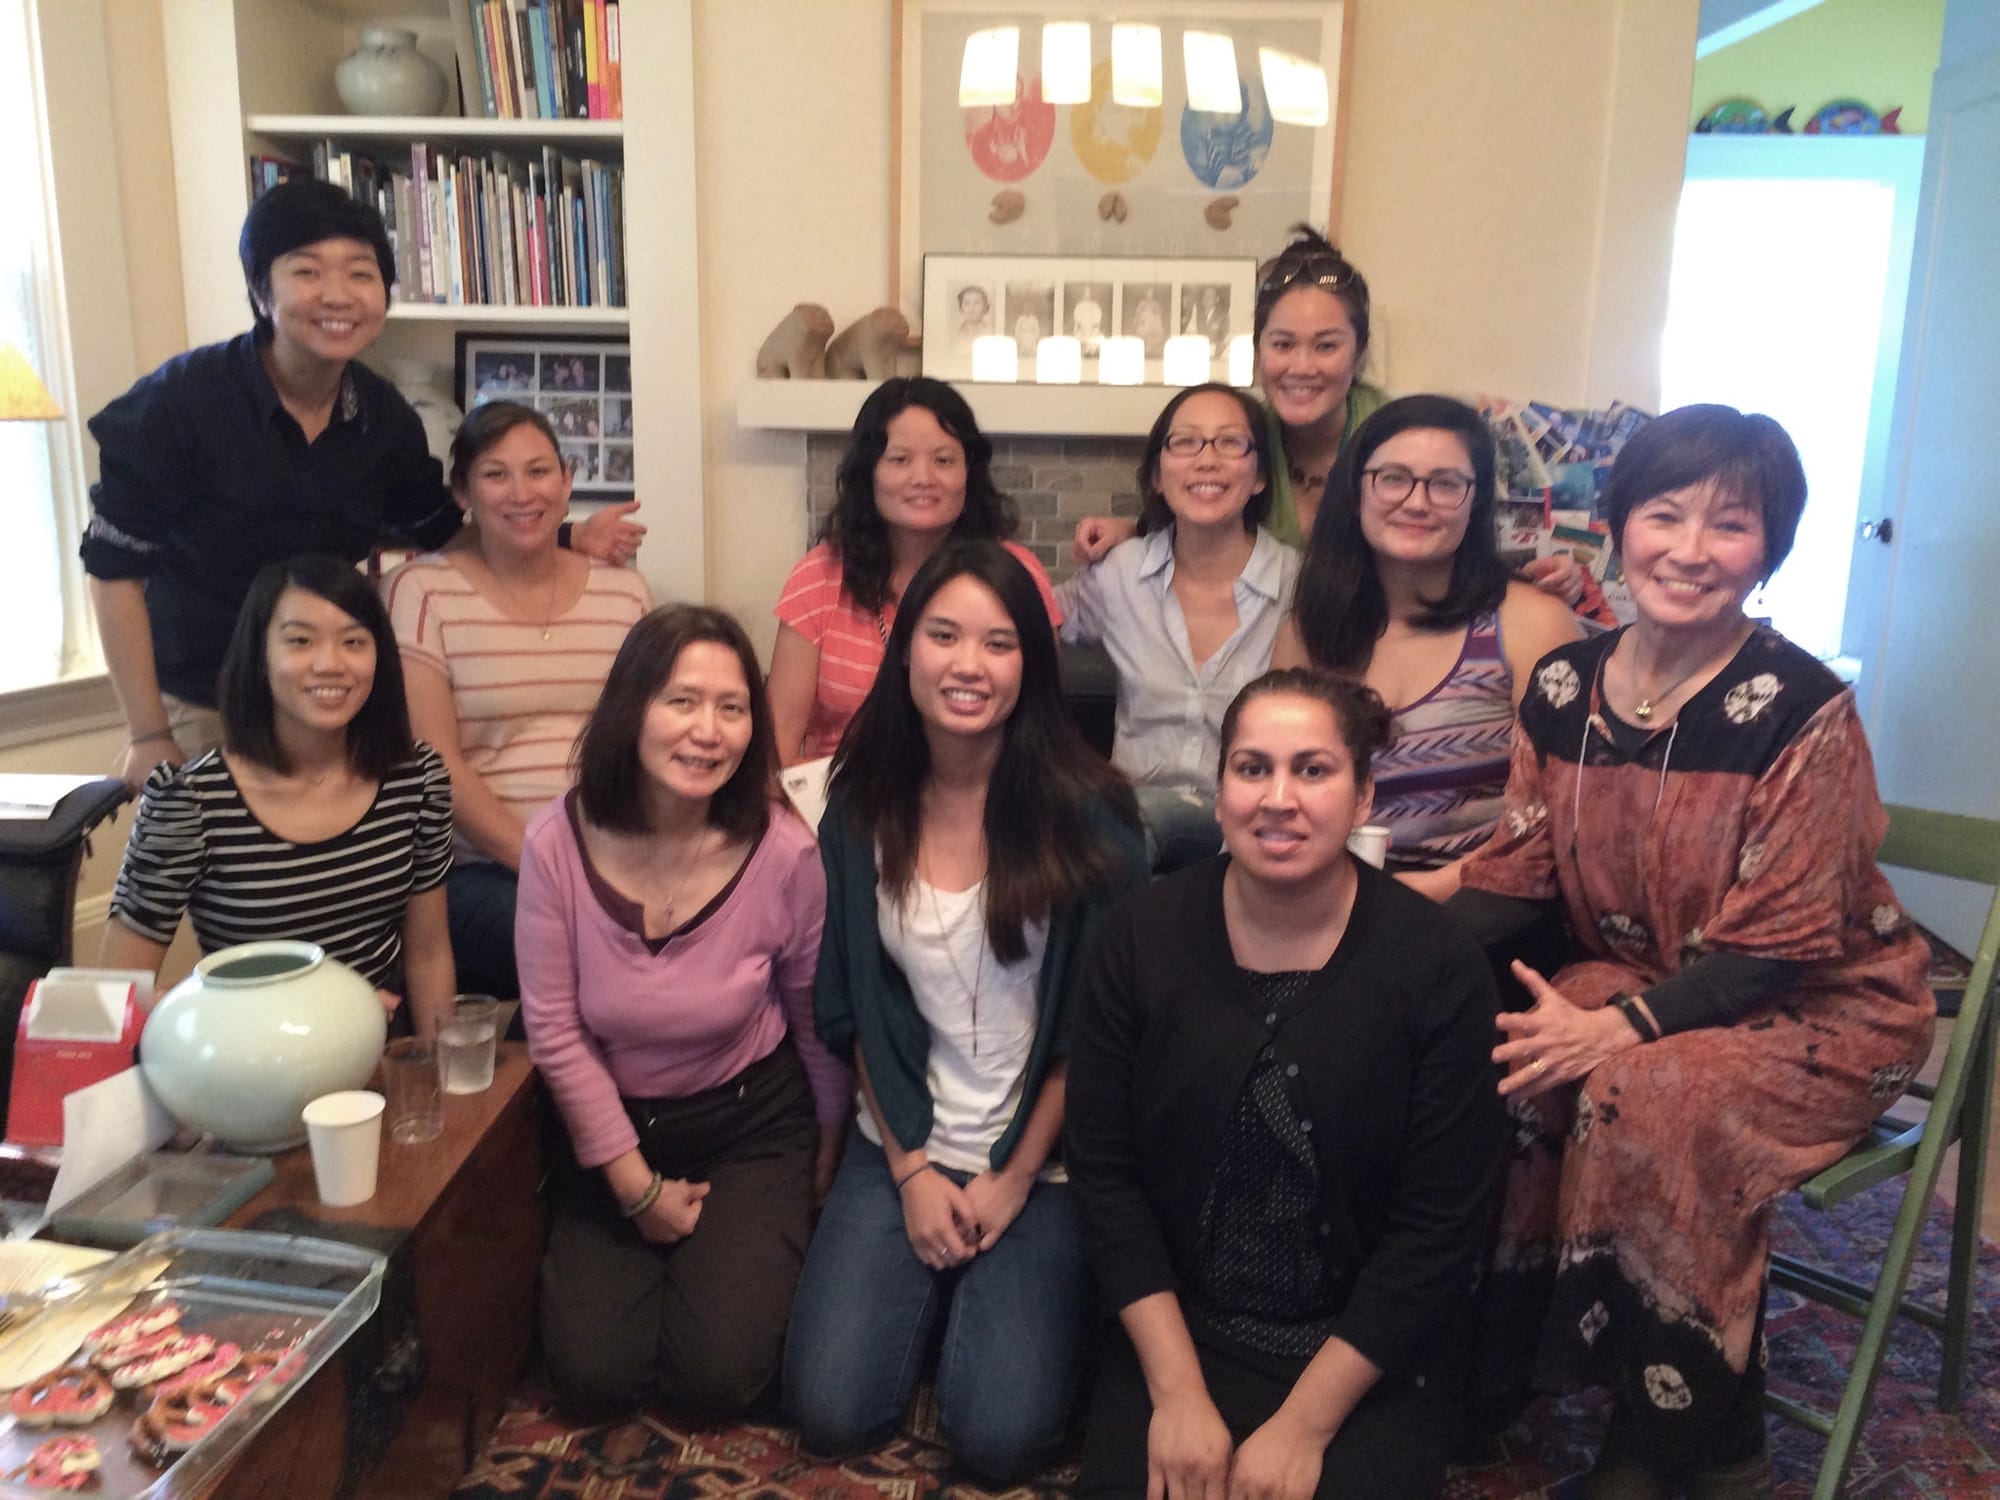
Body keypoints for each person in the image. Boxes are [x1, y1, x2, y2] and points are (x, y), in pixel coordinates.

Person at [1446, 406, 1936, 1496]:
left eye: (1728, 525)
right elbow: (1519, 872)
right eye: (1662, 514)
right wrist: (1381, 950)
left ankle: (1670, 1430)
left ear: (1767, 550)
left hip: (1825, 1007)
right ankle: (1505, 1368)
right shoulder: (1564, 686)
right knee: (1505, 1058)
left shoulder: (1803, 708)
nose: (1686, 548)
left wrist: (1613, 1028)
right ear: (1615, 526)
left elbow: (1785, 942)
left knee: (1645, 1090)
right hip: (1650, 983)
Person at [1067, 668, 1505, 1500]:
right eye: (1251, 767)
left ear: (1364, 793)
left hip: (1361, 1354)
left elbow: (1437, 1227)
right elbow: (1105, 1174)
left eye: (1313, 770)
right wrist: (1176, 1394)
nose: (1279, 798)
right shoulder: (1139, 938)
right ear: (1220, 786)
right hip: (1181, 1335)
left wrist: (1305, 1427)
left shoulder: (1437, 965)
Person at [82, 179, 644, 792]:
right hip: (205, 701)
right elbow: (114, 571)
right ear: (260, 291)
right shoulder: (179, 405)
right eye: (307, 271)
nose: (338, 296)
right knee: (217, 881)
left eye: (361, 273)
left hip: (331, 695)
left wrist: (562, 535)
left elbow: (442, 531)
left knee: (335, 876)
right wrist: (146, 732)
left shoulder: (384, 419)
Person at [783, 539, 1148, 1482]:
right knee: (829, 1413)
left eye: (998, 642)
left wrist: (1015, 1177)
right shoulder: (858, 806)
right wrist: (908, 1171)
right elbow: (852, 1003)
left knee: (1001, 1439)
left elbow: (1100, 1032)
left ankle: (975, 1290)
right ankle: (932, 1275)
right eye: (943, 635)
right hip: (899, 1138)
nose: (968, 665)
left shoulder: (1094, 816)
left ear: (1032, 663)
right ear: (906, 651)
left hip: (1041, 1157)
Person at [517, 605, 850, 1418]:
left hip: (750, 1125)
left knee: (716, 1383)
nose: (708, 732)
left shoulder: (784, 850)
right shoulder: (556, 842)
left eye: (732, 708)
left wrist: (828, 1148)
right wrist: (634, 1186)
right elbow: (555, 1031)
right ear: (631, 707)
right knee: (592, 1379)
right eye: (681, 702)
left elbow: (810, 1015)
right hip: (616, 1131)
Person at [1071, 229, 1582, 603]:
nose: (1302, 367)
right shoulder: (1242, 436)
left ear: (1359, 354)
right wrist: (1135, 530)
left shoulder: (1405, 436)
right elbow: (1202, 519)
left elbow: (1465, 542)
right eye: (1283, 344)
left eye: (1326, 346)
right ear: (1258, 351)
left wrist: (1542, 576)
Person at [99, 554, 455, 1034]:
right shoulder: (189, 801)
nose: (330, 665)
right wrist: (320, 1002)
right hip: (249, 1070)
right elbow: (112, 992)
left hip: (378, 1060)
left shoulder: (417, 780)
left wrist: (438, 1079)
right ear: (260, 657)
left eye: (354, 641)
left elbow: (429, 956)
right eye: (300, 641)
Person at [382, 402, 651, 1000]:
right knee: (591, 944)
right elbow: (435, 763)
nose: (521, 492)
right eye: (496, 474)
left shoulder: (625, 593)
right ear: (463, 494)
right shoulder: (421, 591)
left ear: (567, 480)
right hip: (483, 869)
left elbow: (650, 741)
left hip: (618, 854)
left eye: (538, 471)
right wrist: (550, 869)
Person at [1272, 396, 1580, 898]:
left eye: (1445, 484)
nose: (1417, 502)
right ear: (1356, 491)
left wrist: (1435, 887)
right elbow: (1278, 783)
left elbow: (1565, 810)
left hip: (1481, 898)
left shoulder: (1531, 622)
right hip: (1328, 893)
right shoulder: (1308, 631)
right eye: (1393, 477)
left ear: (1476, 502)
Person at [1056, 382, 1296, 869]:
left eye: (1230, 442)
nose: (1207, 459)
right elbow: (1023, 617)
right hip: (1130, 825)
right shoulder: (1119, 573)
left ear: (1260, 477)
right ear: (1157, 476)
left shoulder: (1298, 584)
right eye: (1185, 442)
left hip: (1253, 824)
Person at [767, 378, 1062, 765]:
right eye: (900, 459)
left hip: (982, 801)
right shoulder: (819, 576)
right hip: (840, 800)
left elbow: (1044, 724)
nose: (923, 478)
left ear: (969, 473)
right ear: (868, 472)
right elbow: (778, 745)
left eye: (943, 460)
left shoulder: (1017, 574)